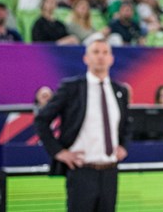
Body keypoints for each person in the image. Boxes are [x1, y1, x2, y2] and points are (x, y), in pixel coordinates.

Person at [35, 39, 129, 212]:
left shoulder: (120, 90)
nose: (100, 57)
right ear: (86, 58)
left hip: (110, 172)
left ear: (111, 58)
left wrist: (123, 145)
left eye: (105, 52)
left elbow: (126, 123)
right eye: (96, 52)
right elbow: (41, 120)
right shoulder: (71, 88)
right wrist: (59, 152)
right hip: (82, 171)